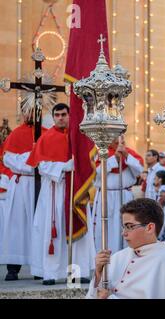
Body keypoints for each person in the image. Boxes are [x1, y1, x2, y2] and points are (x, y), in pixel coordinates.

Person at [27, 103, 95, 285]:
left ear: (70, 115)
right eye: (57, 115)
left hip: (76, 189)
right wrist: (64, 167)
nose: (60, 118)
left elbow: (90, 160)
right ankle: (50, 273)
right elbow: (42, 166)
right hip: (54, 190)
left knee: (78, 227)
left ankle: (77, 271)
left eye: (64, 114)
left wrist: (80, 165)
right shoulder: (46, 138)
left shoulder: (79, 137)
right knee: (52, 232)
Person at [86, 198, 165, 299]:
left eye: (130, 226)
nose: (124, 233)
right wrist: (98, 274)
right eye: (124, 227)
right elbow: (97, 294)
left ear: (149, 228)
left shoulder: (164, 263)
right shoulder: (119, 256)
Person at [0, 116, 44, 280]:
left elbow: (49, 159)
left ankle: (38, 267)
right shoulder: (16, 133)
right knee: (16, 226)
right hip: (20, 185)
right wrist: (31, 159)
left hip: (40, 184)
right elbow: (8, 159)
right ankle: (13, 268)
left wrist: (32, 159)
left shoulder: (46, 133)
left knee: (39, 225)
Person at [92, 137, 144, 253]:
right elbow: (96, 173)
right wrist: (114, 159)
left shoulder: (130, 153)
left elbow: (139, 170)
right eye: (113, 136)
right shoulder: (100, 153)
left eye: (119, 136)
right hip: (106, 197)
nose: (117, 140)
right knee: (107, 230)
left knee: (126, 226)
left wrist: (126, 155)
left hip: (125, 196)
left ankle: (125, 256)